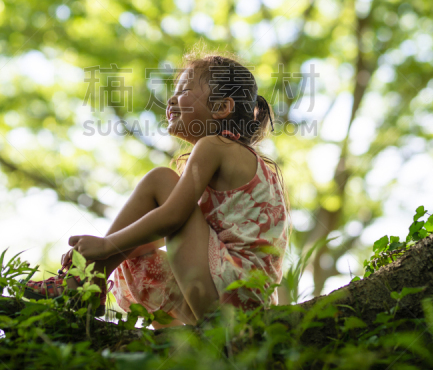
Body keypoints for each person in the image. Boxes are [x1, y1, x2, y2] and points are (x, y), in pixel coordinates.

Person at [26, 50, 291, 328]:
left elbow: (173, 217)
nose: (172, 99)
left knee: (160, 181)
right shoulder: (228, 158)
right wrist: (111, 251)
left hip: (230, 295)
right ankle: (171, 335)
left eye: (185, 89)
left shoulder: (215, 146)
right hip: (234, 304)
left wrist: (105, 246)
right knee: (132, 255)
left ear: (222, 108)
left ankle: (85, 283)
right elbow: (150, 237)